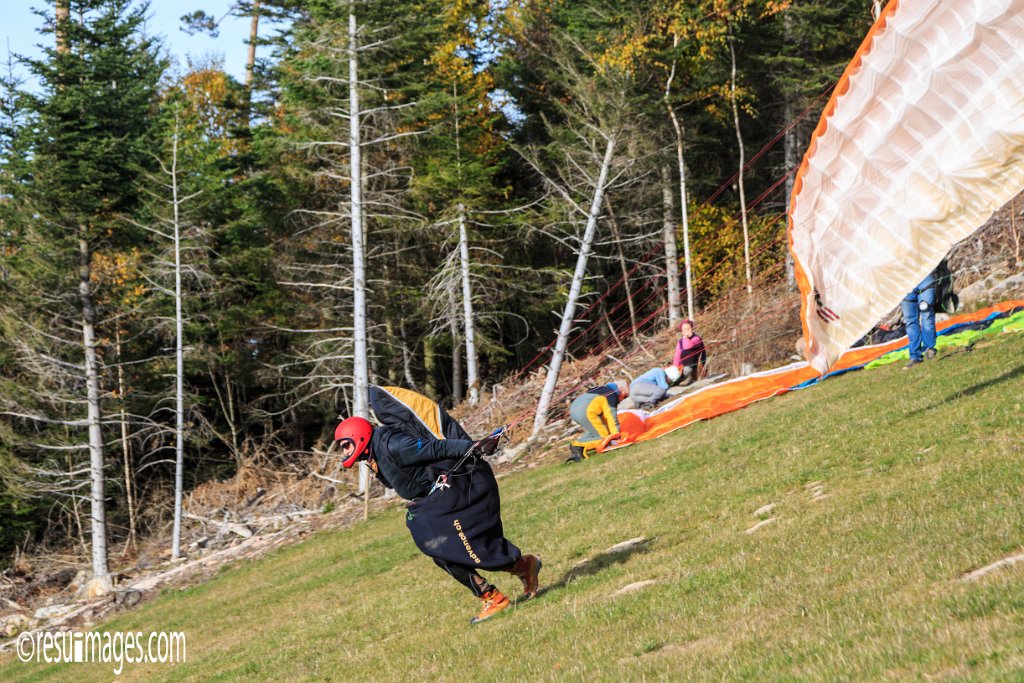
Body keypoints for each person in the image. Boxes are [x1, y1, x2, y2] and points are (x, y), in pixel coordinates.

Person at [331, 387, 542, 625]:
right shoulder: (374, 455)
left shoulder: (394, 445)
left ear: (359, 437)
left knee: (440, 543)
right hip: (433, 501)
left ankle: (510, 579)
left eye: (345, 445)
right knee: (435, 547)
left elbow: (435, 448)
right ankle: (511, 576)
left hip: (459, 488)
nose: (344, 452)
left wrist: (472, 447)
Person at [566, 381, 629, 463]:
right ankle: (578, 446)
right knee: (604, 438)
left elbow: (604, 418)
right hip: (585, 412)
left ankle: (578, 447)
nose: (622, 400)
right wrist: (616, 436)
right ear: (620, 389)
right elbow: (611, 417)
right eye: (625, 396)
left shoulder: (601, 390)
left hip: (574, 411)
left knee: (594, 433)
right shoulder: (611, 394)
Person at [901, 269, 937, 369]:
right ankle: (915, 356)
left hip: (924, 275)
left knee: (927, 313)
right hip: (904, 280)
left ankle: (929, 348)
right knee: (910, 320)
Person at [673, 319, 707, 385]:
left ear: (692, 328)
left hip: (695, 363)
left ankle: (689, 375)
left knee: (687, 351)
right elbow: (677, 355)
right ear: (682, 332)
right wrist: (676, 367)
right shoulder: (680, 341)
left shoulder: (697, 338)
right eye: (685, 329)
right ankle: (680, 378)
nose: (687, 330)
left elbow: (688, 346)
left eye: (688, 328)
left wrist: (685, 338)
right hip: (684, 364)